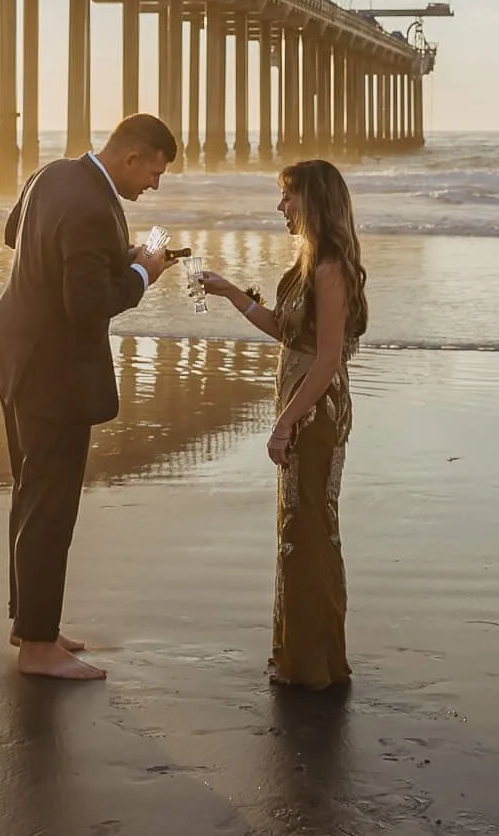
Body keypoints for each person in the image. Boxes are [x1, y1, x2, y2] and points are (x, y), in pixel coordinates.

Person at [0, 113, 181, 680]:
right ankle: (39, 648)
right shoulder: (95, 207)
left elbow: (15, 235)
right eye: (155, 172)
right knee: (51, 504)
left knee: (31, 493)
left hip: (15, 355)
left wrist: (111, 257)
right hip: (53, 374)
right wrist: (142, 271)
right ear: (131, 157)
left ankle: (30, 623)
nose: (155, 185)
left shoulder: (53, 173)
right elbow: (87, 305)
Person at [193, 158, 369, 689]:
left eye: (288, 197)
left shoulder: (331, 267)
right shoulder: (305, 264)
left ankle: (315, 664)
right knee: (297, 528)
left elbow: (328, 359)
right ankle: (299, 655)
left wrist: (284, 425)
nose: (281, 207)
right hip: (299, 409)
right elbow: (286, 333)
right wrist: (229, 292)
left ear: (313, 201)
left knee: (309, 528)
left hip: (315, 413)